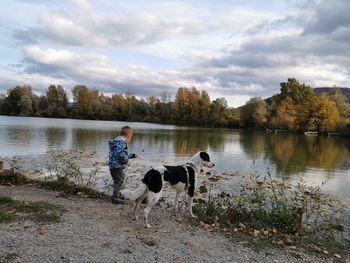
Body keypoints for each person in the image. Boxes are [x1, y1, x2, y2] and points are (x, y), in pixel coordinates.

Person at [108, 126, 137, 204]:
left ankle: (116, 195)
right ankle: (114, 198)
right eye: (131, 137)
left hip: (114, 166)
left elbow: (122, 154)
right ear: (128, 135)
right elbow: (120, 154)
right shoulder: (121, 142)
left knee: (118, 180)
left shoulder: (117, 142)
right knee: (120, 180)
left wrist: (132, 155)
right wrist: (127, 161)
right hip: (116, 166)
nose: (130, 139)